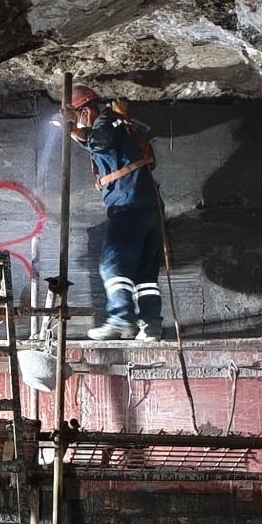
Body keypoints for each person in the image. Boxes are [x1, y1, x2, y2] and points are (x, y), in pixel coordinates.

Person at [67, 86, 163, 341]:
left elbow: (99, 142)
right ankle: (151, 324)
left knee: (112, 264)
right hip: (148, 206)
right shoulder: (118, 125)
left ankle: (121, 320)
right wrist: (76, 133)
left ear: (85, 111)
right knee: (145, 274)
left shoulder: (106, 121)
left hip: (128, 204)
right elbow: (101, 146)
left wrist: (78, 128)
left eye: (77, 116)